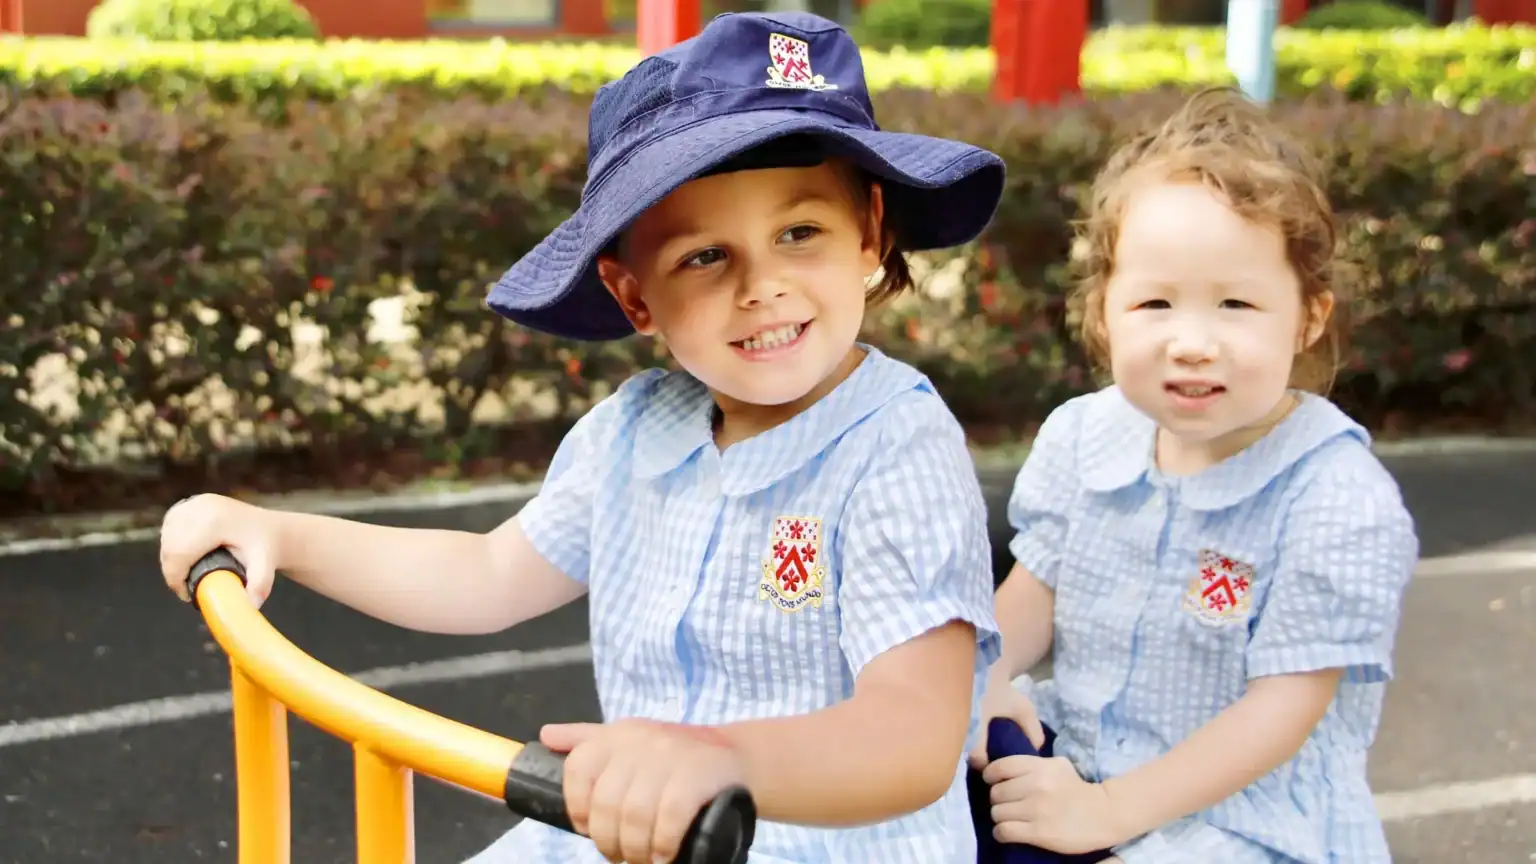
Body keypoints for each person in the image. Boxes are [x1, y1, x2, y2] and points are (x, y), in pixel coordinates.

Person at [159, 11, 1010, 864]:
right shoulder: (635, 434)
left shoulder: (895, 445)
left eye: (799, 234)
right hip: (638, 835)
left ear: (867, 229)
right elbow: (485, 575)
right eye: (704, 257)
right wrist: (280, 534)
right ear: (633, 295)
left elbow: (912, 732)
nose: (763, 286)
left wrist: (722, 759)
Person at [968, 88, 1419, 864]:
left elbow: (1280, 714)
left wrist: (1110, 812)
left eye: (1236, 303)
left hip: (1240, 822)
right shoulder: (1086, 436)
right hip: (1077, 767)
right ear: (1104, 313)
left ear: (1308, 316)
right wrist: (984, 675)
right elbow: (1034, 593)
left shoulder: (1336, 499)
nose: (1193, 342)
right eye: (1155, 302)